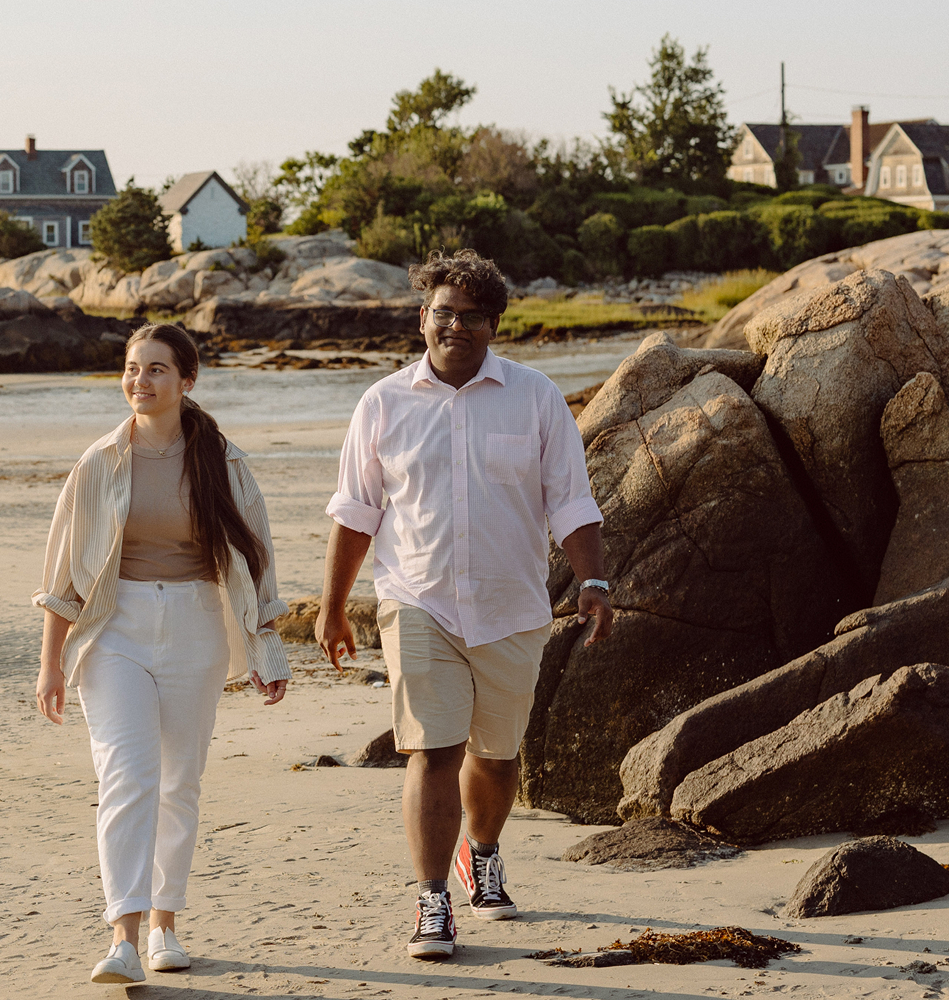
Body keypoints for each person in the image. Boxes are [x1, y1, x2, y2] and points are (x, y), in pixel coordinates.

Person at [317, 250, 613, 961]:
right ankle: (431, 901)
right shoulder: (383, 403)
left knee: (498, 753)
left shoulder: (535, 396)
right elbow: (356, 511)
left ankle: (481, 852)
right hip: (417, 601)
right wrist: (333, 605)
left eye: (471, 316)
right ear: (423, 319)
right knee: (432, 748)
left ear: (494, 325)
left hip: (512, 606)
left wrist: (593, 581)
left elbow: (570, 499)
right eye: (443, 313)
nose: (456, 325)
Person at [31, 323, 291, 985]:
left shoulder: (222, 459)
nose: (139, 381)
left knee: (180, 783)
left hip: (197, 626)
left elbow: (255, 556)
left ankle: (164, 926)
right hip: (113, 628)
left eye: (155, 370)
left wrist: (266, 645)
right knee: (126, 776)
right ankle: (122, 936)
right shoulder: (100, 460)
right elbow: (62, 574)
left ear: (186, 382)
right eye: (131, 367)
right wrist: (51, 662)